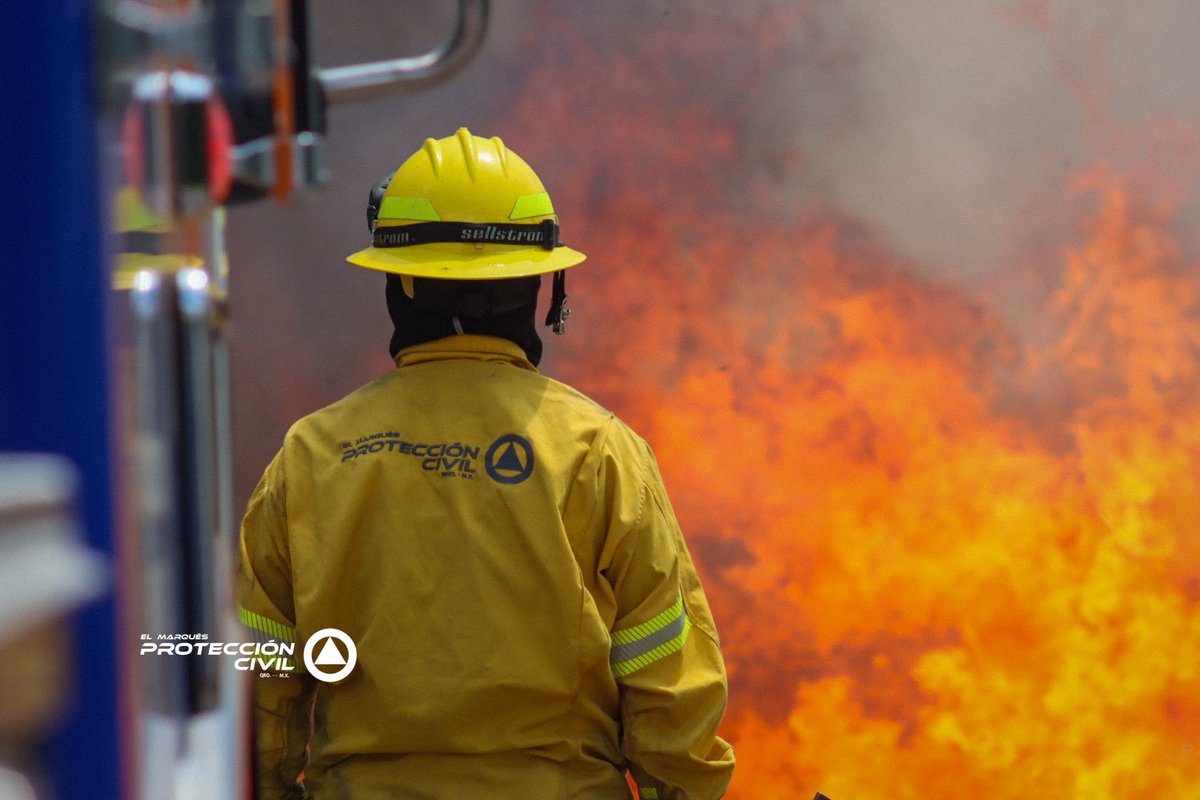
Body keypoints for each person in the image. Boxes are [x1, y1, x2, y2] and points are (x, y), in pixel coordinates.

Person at [237, 128, 735, 799]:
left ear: (397, 285)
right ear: (538, 286)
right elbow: (668, 678)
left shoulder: (311, 455)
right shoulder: (598, 450)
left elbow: (261, 683)